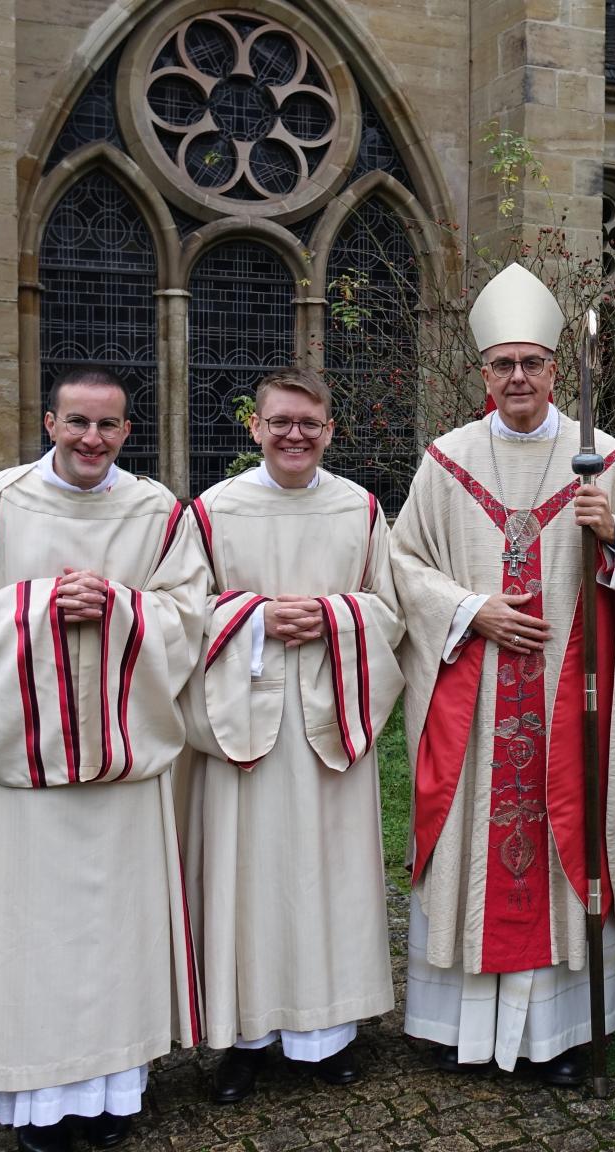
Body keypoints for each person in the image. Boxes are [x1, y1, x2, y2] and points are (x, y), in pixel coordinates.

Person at [389, 263, 615, 1084]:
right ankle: (458, 1028)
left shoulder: (602, 459)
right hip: (475, 700)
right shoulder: (447, 461)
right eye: (502, 365)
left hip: (566, 699)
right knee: (470, 843)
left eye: (533, 363)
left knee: (564, 836)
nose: (518, 378)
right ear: (483, 373)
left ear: (557, 369)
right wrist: (468, 610)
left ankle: (555, 1037)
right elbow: (403, 562)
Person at [0, 366, 211, 1152]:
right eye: (77, 422)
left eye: (108, 426)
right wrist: (41, 605)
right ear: (48, 422)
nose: (91, 440)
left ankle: (115, 1090)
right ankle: (36, 1102)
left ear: (127, 433)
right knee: (28, 935)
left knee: (115, 933)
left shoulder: (156, 515)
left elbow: (190, 617)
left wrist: (120, 608)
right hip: (20, 772)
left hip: (118, 766)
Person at [182, 368, 405, 1101]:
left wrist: (338, 618)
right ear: (255, 428)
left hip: (328, 723)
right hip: (242, 724)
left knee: (329, 872)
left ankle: (329, 1035)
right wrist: (251, 618)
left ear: (330, 432)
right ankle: (247, 1038)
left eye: (310, 424)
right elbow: (181, 614)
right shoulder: (213, 512)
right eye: (281, 422)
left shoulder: (361, 510)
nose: (295, 435)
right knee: (247, 873)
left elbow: (391, 610)